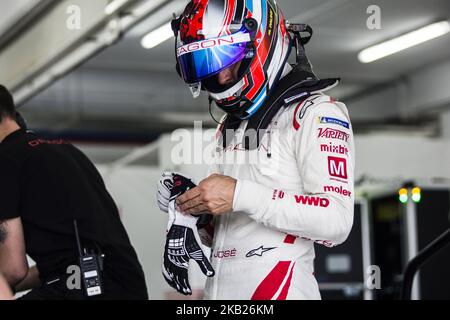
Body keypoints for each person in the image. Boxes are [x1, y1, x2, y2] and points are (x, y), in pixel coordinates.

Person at [158, 0, 355, 300]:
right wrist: (195, 211)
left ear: (260, 41)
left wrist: (239, 194)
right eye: (209, 63)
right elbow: (227, 233)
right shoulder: (230, 125)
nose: (221, 77)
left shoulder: (315, 113)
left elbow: (337, 222)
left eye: (227, 59)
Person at [0, 85, 148, 300]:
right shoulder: (67, 151)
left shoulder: (6, 160)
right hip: (128, 285)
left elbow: (13, 270)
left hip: (80, 288)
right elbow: (67, 259)